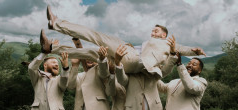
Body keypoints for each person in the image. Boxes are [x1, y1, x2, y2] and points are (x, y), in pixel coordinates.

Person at [45, 5, 206, 77]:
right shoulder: (148, 43)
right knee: (90, 53)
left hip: (134, 59)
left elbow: (182, 49)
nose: (152, 33)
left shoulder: (166, 43)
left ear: (164, 34)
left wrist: (195, 51)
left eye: (156, 31)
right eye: (152, 30)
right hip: (128, 64)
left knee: (97, 36)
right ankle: (51, 49)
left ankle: (56, 23)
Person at [28, 29, 69, 110]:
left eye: (58, 64)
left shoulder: (60, 80)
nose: (56, 64)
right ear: (45, 65)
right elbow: (31, 67)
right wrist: (45, 52)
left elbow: (64, 81)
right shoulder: (37, 79)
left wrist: (66, 68)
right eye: (53, 62)